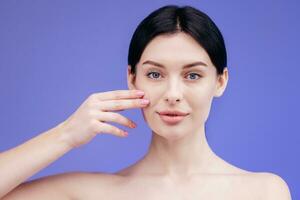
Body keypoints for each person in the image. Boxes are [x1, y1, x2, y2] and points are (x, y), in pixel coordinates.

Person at [0, 4, 291, 200]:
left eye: (192, 75)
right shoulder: (94, 193)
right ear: (131, 78)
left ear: (220, 81)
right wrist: (66, 135)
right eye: (155, 73)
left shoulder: (263, 191)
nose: (173, 93)